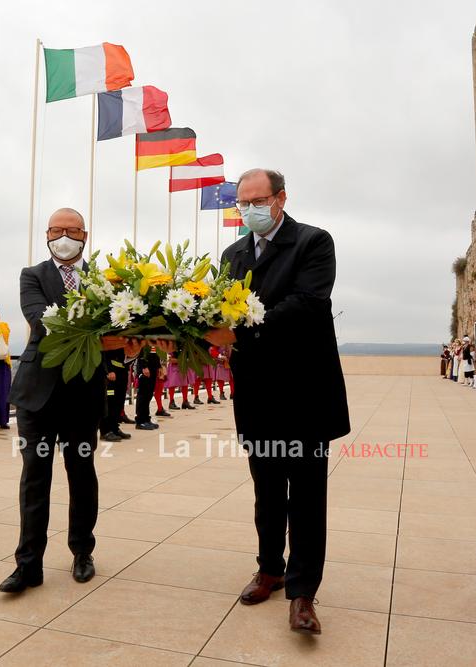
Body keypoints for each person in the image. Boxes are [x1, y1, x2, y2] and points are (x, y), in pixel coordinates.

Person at [207, 168, 350, 635]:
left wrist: (241, 329)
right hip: (257, 392)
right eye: (241, 203)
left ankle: (302, 592)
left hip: (306, 392)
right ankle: (269, 568)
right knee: (266, 491)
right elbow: (216, 311)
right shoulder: (232, 254)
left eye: (257, 200)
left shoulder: (313, 242)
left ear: (280, 198)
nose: (249, 209)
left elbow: (309, 304)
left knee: (307, 496)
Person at [0, 208, 144, 593]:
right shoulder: (32, 276)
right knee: (34, 479)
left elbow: (122, 327)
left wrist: (129, 344)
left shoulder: (108, 280)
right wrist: (101, 335)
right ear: (47, 234)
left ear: (85, 235)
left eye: (71, 230)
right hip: (37, 393)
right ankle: (28, 565)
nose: (63, 236)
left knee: (81, 476)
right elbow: (44, 321)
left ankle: (82, 551)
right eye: (56, 230)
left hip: (83, 391)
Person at [99, 348, 132, 441]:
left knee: (119, 401)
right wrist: (108, 370)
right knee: (110, 402)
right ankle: (105, 431)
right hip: (112, 372)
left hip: (122, 370)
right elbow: (104, 353)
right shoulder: (110, 337)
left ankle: (114, 428)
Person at [133, 346, 161, 430]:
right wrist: (144, 366)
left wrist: (159, 366)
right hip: (145, 368)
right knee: (143, 395)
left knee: (148, 395)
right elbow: (140, 350)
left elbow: (155, 352)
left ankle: (146, 419)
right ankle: (140, 421)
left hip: (153, 367)